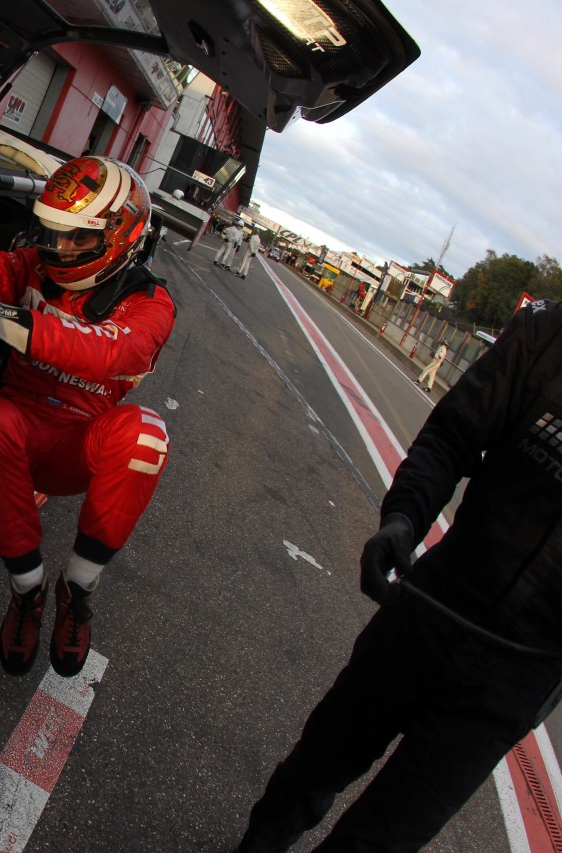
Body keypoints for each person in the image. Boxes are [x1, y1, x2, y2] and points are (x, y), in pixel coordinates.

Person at [232, 298, 562, 852]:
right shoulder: (546, 333)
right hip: (431, 609)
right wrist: (405, 517)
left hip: (514, 683)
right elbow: (453, 433)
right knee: (311, 771)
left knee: (379, 842)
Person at [0, 156, 176, 678]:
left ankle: (77, 591)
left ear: (121, 236)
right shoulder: (30, 263)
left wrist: (11, 320)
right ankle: (27, 592)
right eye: (54, 233)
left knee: (147, 434)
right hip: (13, 429)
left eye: (78, 238)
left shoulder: (152, 304)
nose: (60, 249)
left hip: (77, 447)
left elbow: (113, 354)